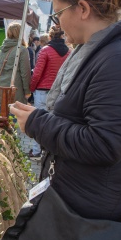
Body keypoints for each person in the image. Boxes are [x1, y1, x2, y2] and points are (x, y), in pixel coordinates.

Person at [10, 0, 121, 230]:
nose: (57, 23)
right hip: (75, 200)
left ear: (82, 8)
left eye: (58, 13)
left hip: (87, 215)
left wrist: (38, 122)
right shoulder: (99, 52)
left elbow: (104, 144)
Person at [28, 26, 70, 157]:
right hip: (59, 92)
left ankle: (36, 151)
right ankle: (47, 151)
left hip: (42, 90)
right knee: (53, 122)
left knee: (38, 121)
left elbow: (37, 73)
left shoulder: (46, 50)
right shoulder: (69, 52)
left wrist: (31, 88)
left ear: (50, 37)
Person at [0, 22, 31, 104]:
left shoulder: (2, 50)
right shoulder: (22, 50)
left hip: (1, 86)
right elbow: (25, 73)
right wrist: (27, 91)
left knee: (2, 113)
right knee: (14, 114)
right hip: (15, 87)